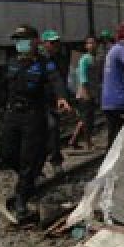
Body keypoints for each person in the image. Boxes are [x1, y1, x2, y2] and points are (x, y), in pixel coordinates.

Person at [0, 26, 71, 220]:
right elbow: (1, 91)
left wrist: (62, 98)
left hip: (33, 116)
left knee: (27, 159)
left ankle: (22, 198)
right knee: (6, 154)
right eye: (17, 40)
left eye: (23, 39)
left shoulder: (44, 63)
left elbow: (56, 80)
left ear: (34, 42)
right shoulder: (12, 63)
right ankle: (32, 173)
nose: (19, 44)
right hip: (12, 115)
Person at [41, 30, 71, 176]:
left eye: (56, 42)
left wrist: (62, 97)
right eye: (52, 43)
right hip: (39, 101)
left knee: (53, 129)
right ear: (45, 43)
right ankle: (39, 166)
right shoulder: (40, 59)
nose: (55, 45)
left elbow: (59, 79)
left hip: (52, 101)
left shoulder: (60, 58)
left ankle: (56, 161)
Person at [68, 35, 99, 150]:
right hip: (84, 93)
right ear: (86, 46)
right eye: (89, 43)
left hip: (90, 92)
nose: (91, 45)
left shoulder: (93, 58)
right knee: (87, 119)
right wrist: (86, 92)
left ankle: (73, 140)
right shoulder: (85, 59)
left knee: (84, 118)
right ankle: (88, 142)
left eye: (93, 43)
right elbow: (83, 76)